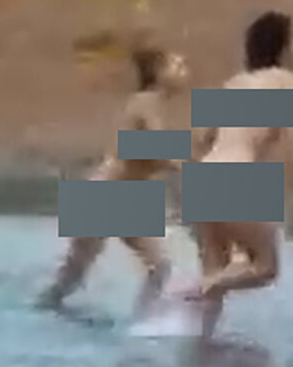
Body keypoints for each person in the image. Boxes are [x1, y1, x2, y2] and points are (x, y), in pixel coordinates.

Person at [171, 11, 293, 340]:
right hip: (235, 175)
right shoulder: (287, 80)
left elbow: (198, 140)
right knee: (265, 268)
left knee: (216, 271)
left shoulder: (232, 83)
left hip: (200, 176)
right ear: (283, 48)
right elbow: (291, 146)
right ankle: (190, 290)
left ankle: (199, 346)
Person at [37, 43, 190, 315]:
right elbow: (160, 150)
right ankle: (43, 310)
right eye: (178, 65)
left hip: (127, 197)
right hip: (104, 194)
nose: (185, 71)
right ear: (158, 73)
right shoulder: (146, 102)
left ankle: (144, 322)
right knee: (73, 276)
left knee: (159, 268)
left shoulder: (152, 105)